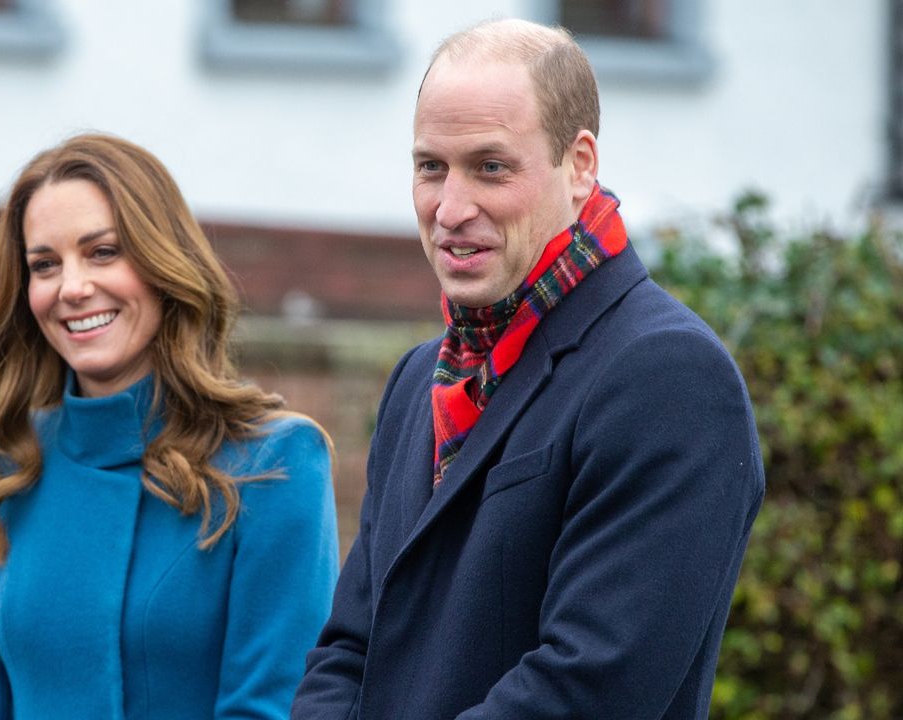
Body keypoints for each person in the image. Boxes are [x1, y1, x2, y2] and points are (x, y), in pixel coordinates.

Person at [292, 18, 764, 720]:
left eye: (491, 167)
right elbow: (348, 652)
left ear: (579, 166)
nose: (450, 209)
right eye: (431, 167)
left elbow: (591, 687)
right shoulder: (420, 379)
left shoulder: (669, 376)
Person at [0, 133, 339, 719]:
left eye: (102, 253)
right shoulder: (4, 467)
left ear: (161, 264)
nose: (71, 288)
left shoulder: (276, 463)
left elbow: (269, 706)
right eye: (45, 264)